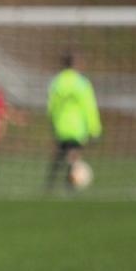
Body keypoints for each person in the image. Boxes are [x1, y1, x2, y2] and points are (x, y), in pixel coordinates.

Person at [45, 49, 101, 190]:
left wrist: (52, 121)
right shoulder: (82, 83)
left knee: (61, 154)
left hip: (61, 125)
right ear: (76, 64)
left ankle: (49, 184)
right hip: (77, 126)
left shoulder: (57, 82)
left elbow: (51, 105)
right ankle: (70, 187)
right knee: (73, 156)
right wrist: (95, 129)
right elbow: (89, 107)